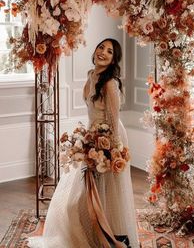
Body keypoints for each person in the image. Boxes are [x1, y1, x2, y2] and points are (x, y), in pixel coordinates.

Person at [28, 38, 139, 248]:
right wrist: (86, 138)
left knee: (107, 191)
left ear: (114, 59)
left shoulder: (109, 83)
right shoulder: (91, 75)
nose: (103, 53)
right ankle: (91, 232)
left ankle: (110, 235)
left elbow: (114, 121)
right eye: (101, 48)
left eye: (109, 51)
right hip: (92, 136)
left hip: (109, 139)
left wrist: (112, 151)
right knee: (84, 192)